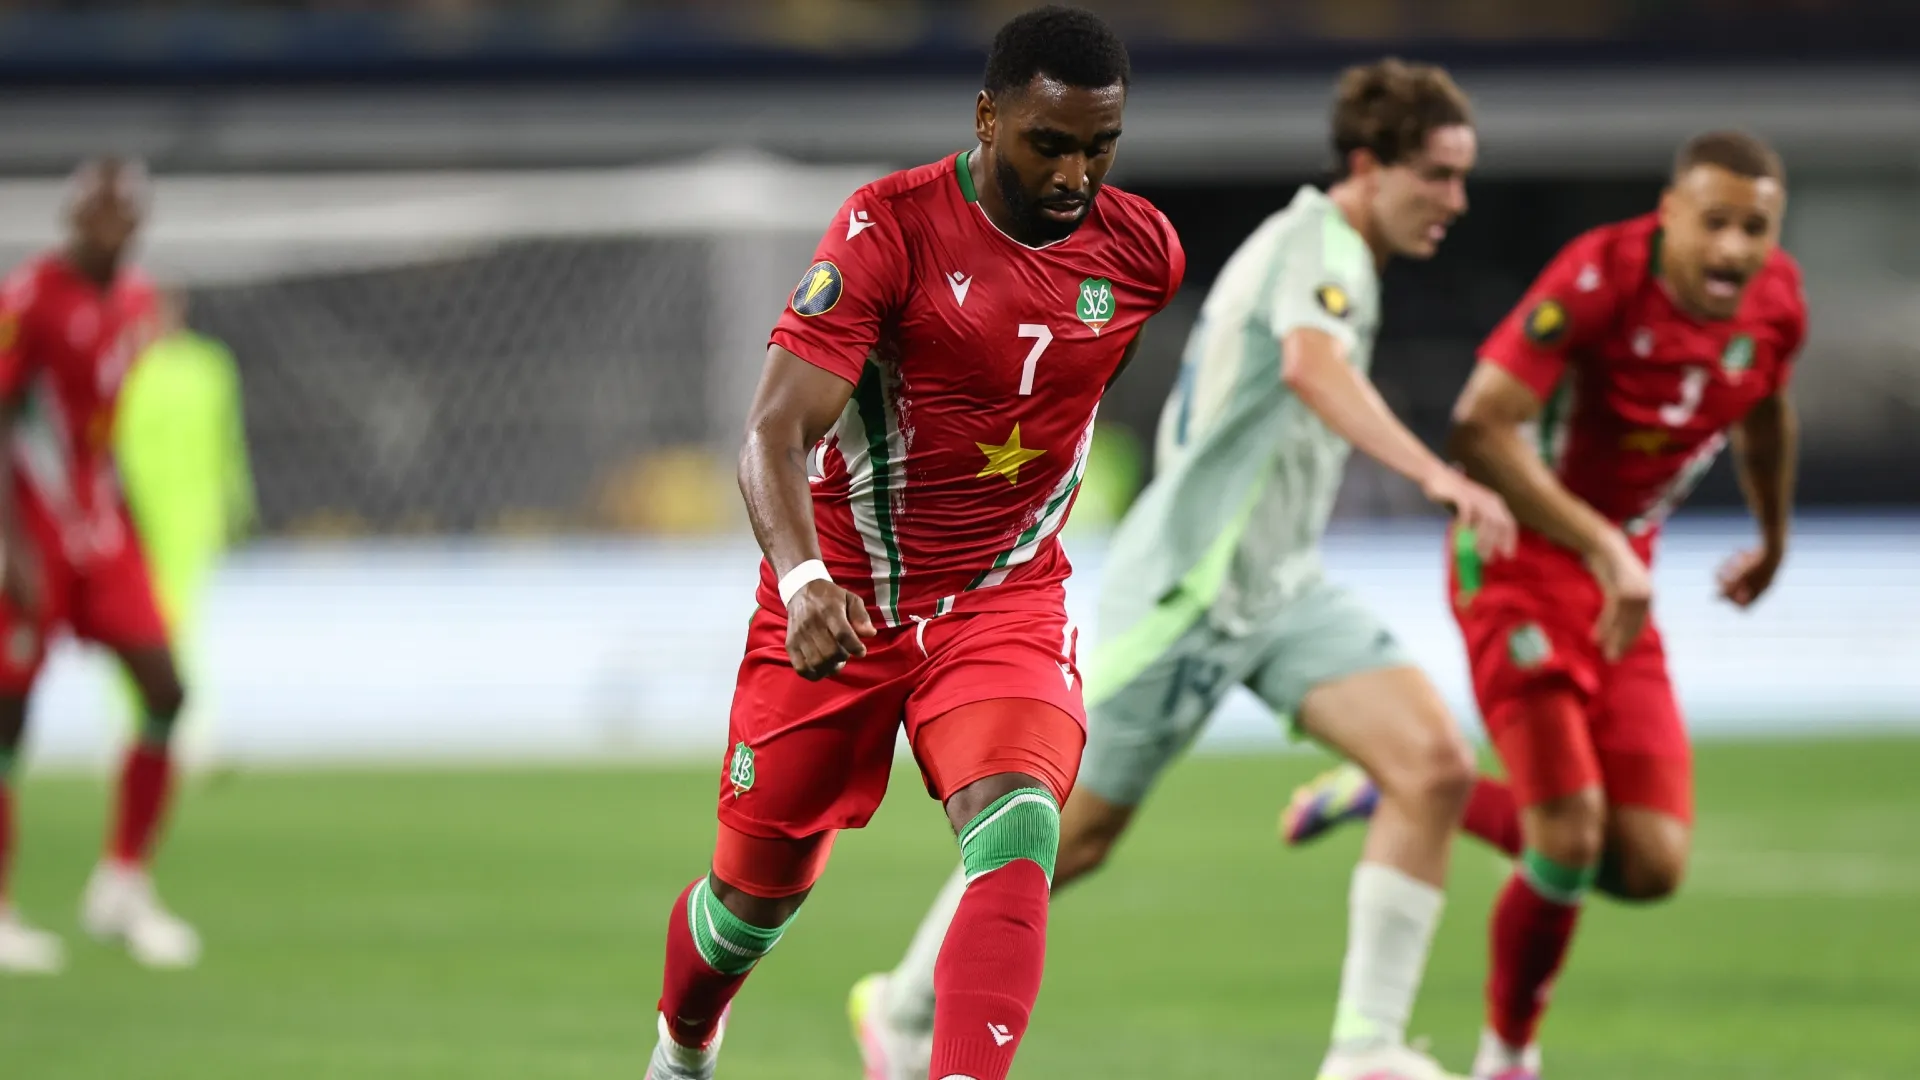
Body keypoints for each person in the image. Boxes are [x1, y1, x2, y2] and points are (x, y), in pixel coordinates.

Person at [852, 58, 1516, 1080]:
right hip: (1190, 588)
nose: (1455, 202)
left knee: (1433, 767)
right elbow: (1310, 364)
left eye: (1463, 179)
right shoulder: (1317, 244)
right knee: (1072, 833)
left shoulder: (1342, 255)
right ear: (1371, 166)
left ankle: (1365, 1051)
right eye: (1436, 176)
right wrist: (1435, 473)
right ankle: (901, 1010)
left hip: (1281, 586)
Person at [644, 8, 1185, 1080]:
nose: (1077, 171)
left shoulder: (1144, 254)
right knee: (751, 905)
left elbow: (1057, 422)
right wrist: (802, 580)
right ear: (987, 117)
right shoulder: (887, 230)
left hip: (1003, 601)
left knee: (1019, 826)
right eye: (1050, 143)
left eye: (1101, 146)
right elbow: (772, 431)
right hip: (839, 604)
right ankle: (683, 1045)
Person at [1284, 130, 1805, 1080]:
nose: (1734, 249)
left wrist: (1772, 539)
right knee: (1568, 834)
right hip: (1518, 563)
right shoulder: (1599, 279)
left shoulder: (1776, 305)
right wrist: (1603, 543)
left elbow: (1768, 411)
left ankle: (1382, 790)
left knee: (1647, 865)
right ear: (1671, 213)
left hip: (1618, 580)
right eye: (1716, 223)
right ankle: (1508, 1058)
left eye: (1755, 229)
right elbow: (1480, 426)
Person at [0, 157, 202, 974]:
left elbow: (100, 427)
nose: (111, 224)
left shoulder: (140, 303)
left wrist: (135, 529)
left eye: (125, 212)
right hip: (35, 524)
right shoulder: (29, 299)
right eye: (98, 210)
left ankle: (121, 883)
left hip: (102, 521)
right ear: (73, 216)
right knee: (10, 712)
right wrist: (11, 545)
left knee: (166, 687)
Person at [113, 286, 256, 762]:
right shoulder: (125, 366)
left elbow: (228, 439)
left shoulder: (211, 366)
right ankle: (137, 730)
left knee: (178, 621)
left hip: (192, 512)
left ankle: (184, 730)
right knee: (134, 626)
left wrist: (237, 503)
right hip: (133, 510)